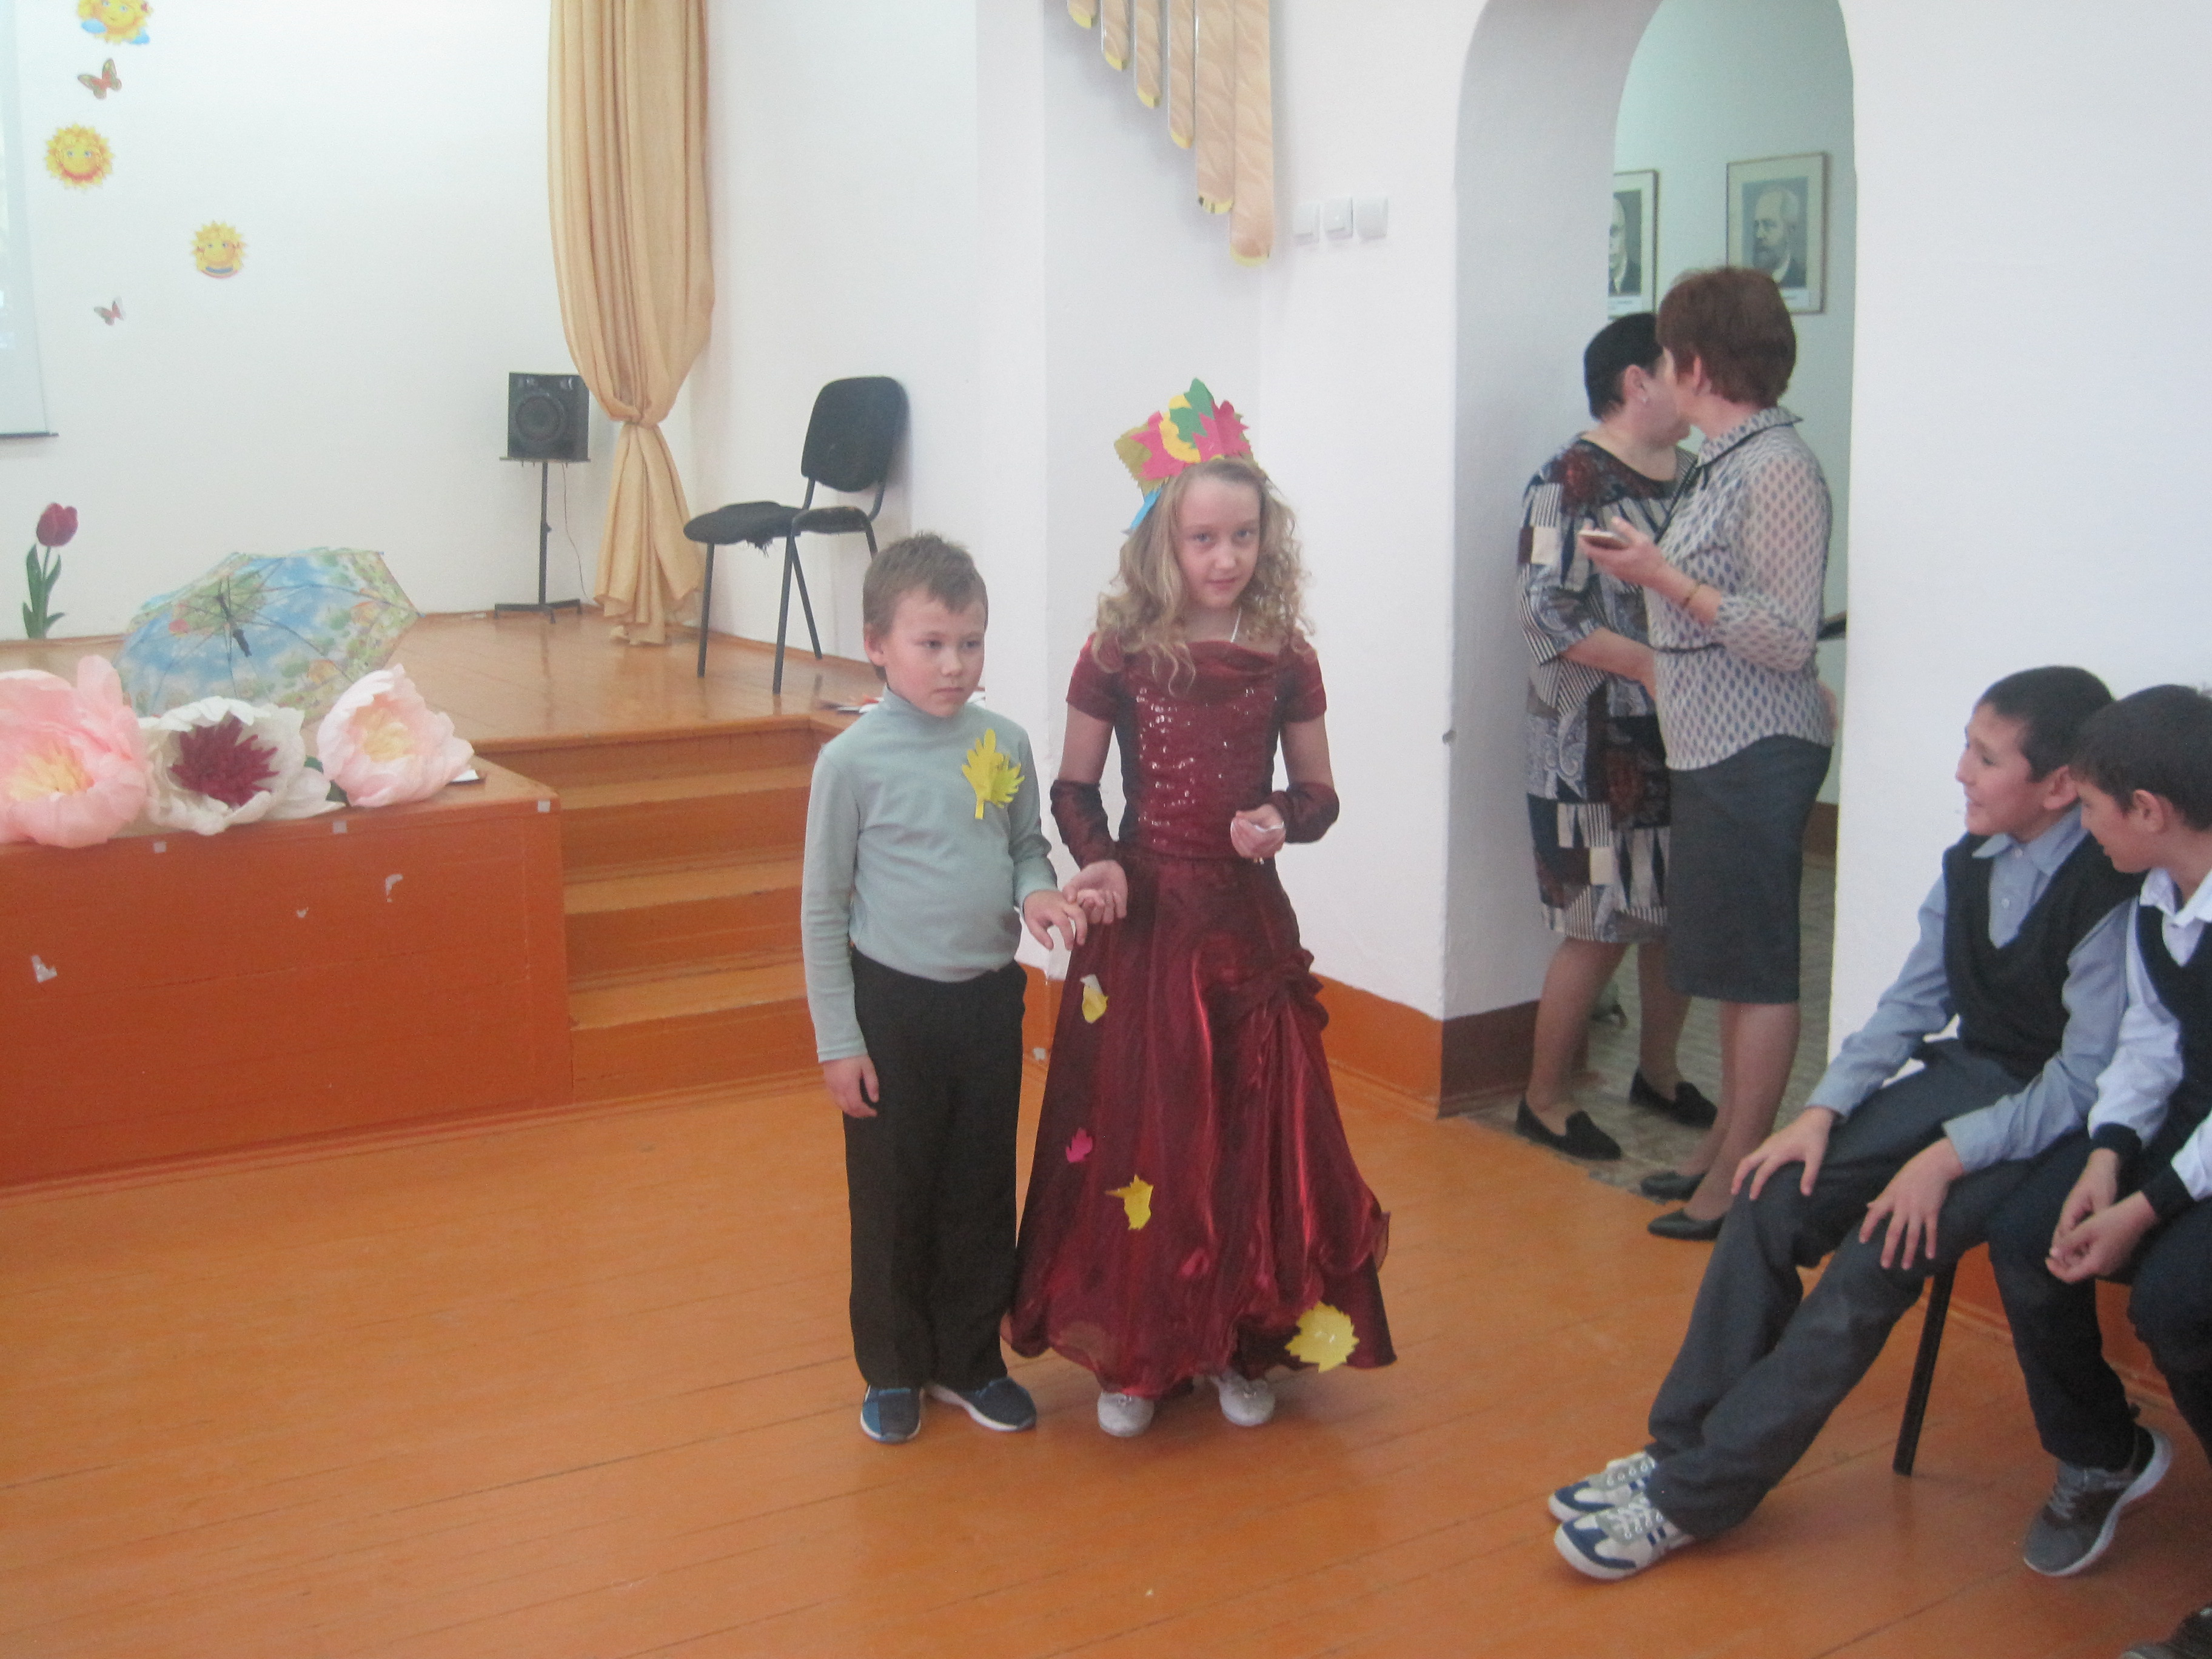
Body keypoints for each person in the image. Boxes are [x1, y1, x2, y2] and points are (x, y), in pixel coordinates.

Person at [1549, 668, 2137, 1580]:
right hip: (1966, 1081)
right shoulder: (1973, 861)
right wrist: (1819, 1113)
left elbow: (2083, 1078)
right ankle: (1681, 1446)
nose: (1961, 771)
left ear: (2060, 785)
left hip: (2048, 1123)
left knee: (1875, 1258)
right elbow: (1911, 1004)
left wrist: (1949, 1157)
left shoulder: (2106, 889)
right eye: (1967, 746)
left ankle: (1697, 1496)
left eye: (1986, 758)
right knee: (1769, 1194)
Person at [1010, 386, 1394, 1438]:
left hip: (1243, 928)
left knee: (1244, 1130)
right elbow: (1073, 788)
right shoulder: (1118, 648)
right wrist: (1100, 862)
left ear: (1268, 539)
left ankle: (1236, 1336)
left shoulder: (1284, 653)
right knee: (1149, 1132)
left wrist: (1280, 817)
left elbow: (1319, 794)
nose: (1226, 558)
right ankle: (1138, 1349)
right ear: (1161, 542)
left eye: (1244, 536)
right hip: (1146, 925)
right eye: (1203, 539)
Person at [800, 533, 1090, 1446]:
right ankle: (893, 1366)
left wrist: (1037, 893)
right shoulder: (850, 763)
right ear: (876, 645)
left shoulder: (1004, 743)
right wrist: (840, 1041)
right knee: (893, 1192)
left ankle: (970, 1358)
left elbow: (1025, 847)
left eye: (970, 642)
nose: (955, 664)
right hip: (891, 1009)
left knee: (977, 1183)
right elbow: (822, 909)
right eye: (931, 644)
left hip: (986, 1002)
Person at [1582, 267, 1835, 1239]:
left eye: (1670, 356)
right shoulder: (1729, 460)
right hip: (1714, 743)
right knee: (1727, 966)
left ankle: (1739, 1178)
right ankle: (1721, 1147)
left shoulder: (1774, 466)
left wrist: (1662, 579)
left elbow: (1786, 636)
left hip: (1753, 745)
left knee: (1755, 970)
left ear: (1695, 364)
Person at [1985, 685, 2212, 1576]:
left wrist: (2145, 1209)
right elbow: (2151, 1044)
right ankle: (2103, 1453)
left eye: (2089, 806)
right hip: (2186, 1128)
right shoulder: (2156, 895)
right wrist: (2108, 1156)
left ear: (2148, 810)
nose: (2083, 826)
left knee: (2174, 1305)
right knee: (2027, 1231)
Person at [1513, 313, 1711, 1164]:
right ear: (1637, 383)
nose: (1701, 386)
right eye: (1685, 369)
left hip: (1690, 735)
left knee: (1676, 915)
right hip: (1589, 742)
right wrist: (1648, 667)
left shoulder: (1701, 475)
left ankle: (1659, 1075)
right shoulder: (1568, 479)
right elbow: (1542, 611)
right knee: (1598, 923)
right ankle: (1545, 1100)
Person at [1749, 186, 1806, 289]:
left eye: (1769, 225)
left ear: (1790, 229)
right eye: (1756, 225)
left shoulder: (1802, 278)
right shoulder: (1747, 284)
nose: (1759, 235)